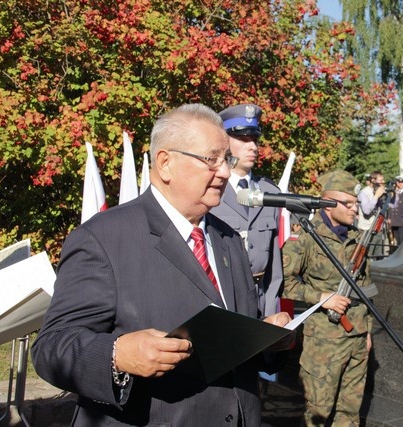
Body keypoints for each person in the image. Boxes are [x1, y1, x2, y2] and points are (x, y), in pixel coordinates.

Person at [31, 104, 291, 426]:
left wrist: (272, 339)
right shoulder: (103, 238)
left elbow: (237, 334)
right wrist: (117, 355)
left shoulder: (228, 239)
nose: (224, 171)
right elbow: (51, 347)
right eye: (212, 159)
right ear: (166, 163)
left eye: (228, 160)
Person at [282, 170, 373, 426]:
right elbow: (283, 283)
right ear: (328, 203)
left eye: (356, 203)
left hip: (356, 335)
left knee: (350, 411)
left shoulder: (356, 238)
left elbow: (367, 290)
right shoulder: (306, 237)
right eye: (349, 203)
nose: (355, 209)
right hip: (324, 341)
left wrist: (367, 331)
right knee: (318, 413)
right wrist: (322, 297)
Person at [210, 103, 282, 317]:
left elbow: (274, 269)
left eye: (255, 139)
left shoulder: (270, 192)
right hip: (223, 302)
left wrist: (270, 312)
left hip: (261, 301)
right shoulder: (210, 190)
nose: (253, 146)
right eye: (243, 139)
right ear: (225, 142)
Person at [357, 171, 387, 258]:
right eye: (380, 180)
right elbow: (366, 210)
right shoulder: (364, 193)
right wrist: (376, 196)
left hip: (378, 230)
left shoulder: (379, 192)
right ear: (373, 181)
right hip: (367, 231)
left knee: (378, 257)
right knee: (368, 257)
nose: (383, 182)